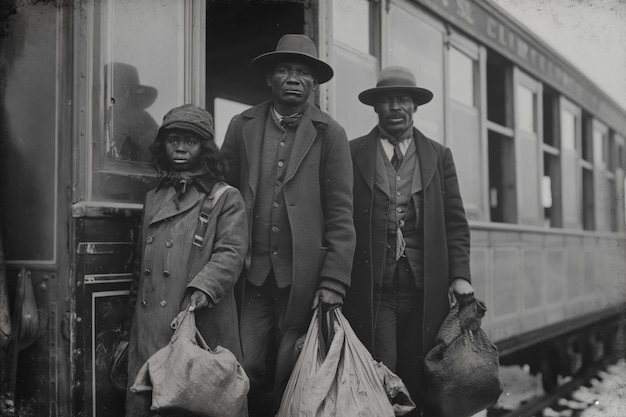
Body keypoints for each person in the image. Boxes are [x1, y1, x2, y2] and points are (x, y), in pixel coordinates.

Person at [221, 34, 355, 417]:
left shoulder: (331, 134)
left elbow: (342, 215)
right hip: (253, 277)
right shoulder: (241, 125)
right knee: (242, 367)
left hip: (304, 281)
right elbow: (223, 194)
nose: (293, 78)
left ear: (313, 82)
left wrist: (333, 282)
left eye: (302, 72)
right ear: (269, 79)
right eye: (284, 70)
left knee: (294, 374)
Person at [344, 66, 474, 416]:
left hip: (423, 286)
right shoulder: (352, 152)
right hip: (375, 286)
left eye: (403, 100)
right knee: (381, 366)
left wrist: (459, 275)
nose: (396, 107)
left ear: (414, 106)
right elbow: (339, 220)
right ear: (376, 108)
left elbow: (455, 223)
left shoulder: (438, 155)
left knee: (421, 371)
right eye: (387, 100)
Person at [123, 104, 249, 417]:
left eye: (190, 142)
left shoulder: (224, 196)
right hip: (150, 323)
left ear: (204, 148)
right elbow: (141, 262)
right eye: (173, 140)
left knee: (196, 400)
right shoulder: (154, 196)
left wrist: (203, 289)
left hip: (197, 315)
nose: (180, 148)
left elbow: (231, 251)